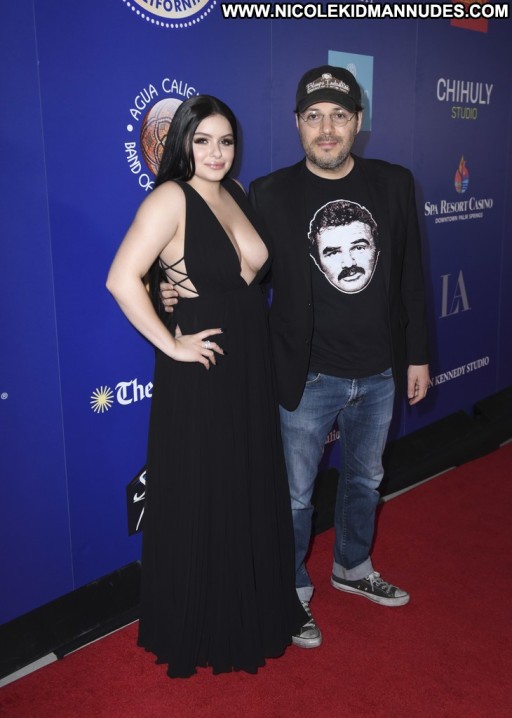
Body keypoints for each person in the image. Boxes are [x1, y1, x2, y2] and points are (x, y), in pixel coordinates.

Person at [161, 66, 430, 649]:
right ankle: (291, 591)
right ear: (297, 124)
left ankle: (353, 567)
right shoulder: (267, 192)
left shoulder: (394, 183)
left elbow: (411, 275)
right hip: (305, 375)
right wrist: (174, 287)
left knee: (367, 479)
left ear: (358, 121)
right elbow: (239, 269)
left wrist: (418, 356)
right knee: (294, 496)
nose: (326, 128)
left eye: (339, 115)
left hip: (381, 371)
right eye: (314, 116)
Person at [107, 94, 306, 678]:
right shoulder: (171, 197)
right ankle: (205, 624)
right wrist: (171, 344)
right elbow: (121, 278)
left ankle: (250, 611)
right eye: (202, 141)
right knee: (207, 489)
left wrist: (167, 290)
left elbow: (237, 277)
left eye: (225, 141)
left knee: (245, 484)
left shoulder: (236, 191)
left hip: (248, 362)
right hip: (203, 368)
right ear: (181, 143)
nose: (216, 153)